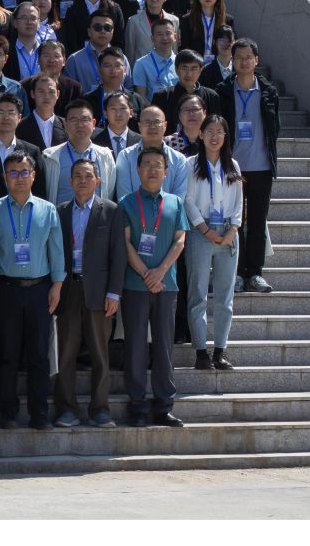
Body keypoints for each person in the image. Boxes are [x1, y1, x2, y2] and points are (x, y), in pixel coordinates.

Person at [0, 148, 65, 430]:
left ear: (33, 176)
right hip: (6, 289)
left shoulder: (48, 209)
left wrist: (57, 285)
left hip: (39, 290)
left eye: (24, 172)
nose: (19, 178)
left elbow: (56, 250)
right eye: (13, 172)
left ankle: (39, 414)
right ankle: (8, 413)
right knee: (7, 354)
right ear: (5, 177)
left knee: (39, 355)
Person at [53, 157, 127, 428]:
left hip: (99, 291)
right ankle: (66, 409)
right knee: (66, 354)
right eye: (77, 176)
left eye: (88, 176)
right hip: (68, 289)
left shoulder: (111, 210)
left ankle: (100, 409)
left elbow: (119, 255)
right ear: (70, 181)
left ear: (98, 180)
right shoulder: (60, 211)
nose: (82, 181)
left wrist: (114, 293)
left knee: (99, 353)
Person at [121, 146, 188, 427]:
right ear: (138, 170)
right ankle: (137, 405)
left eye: (157, 165)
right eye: (146, 164)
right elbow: (125, 243)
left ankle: (163, 405)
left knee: (163, 346)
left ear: (166, 171)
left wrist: (160, 272)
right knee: (136, 346)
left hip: (166, 286)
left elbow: (180, 240)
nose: (152, 169)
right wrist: (146, 273)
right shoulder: (126, 202)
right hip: (135, 286)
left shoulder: (175, 202)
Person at [214, 38, 279, 294]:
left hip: (261, 166)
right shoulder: (223, 91)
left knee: (258, 222)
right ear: (232, 60)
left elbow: (274, 128)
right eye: (238, 57)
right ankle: (237, 273)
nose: (243, 62)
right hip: (233, 168)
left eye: (248, 57)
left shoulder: (268, 91)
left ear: (256, 60)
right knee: (235, 223)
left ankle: (255, 273)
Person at [185, 114, 244, 371]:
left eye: (220, 131)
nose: (214, 136)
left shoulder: (233, 165)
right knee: (197, 293)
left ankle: (220, 350)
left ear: (226, 136)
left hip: (228, 233)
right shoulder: (190, 164)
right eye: (210, 131)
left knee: (224, 296)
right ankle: (201, 352)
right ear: (201, 134)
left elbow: (239, 201)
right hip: (200, 232)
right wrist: (205, 229)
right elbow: (187, 200)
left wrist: (234, 228)